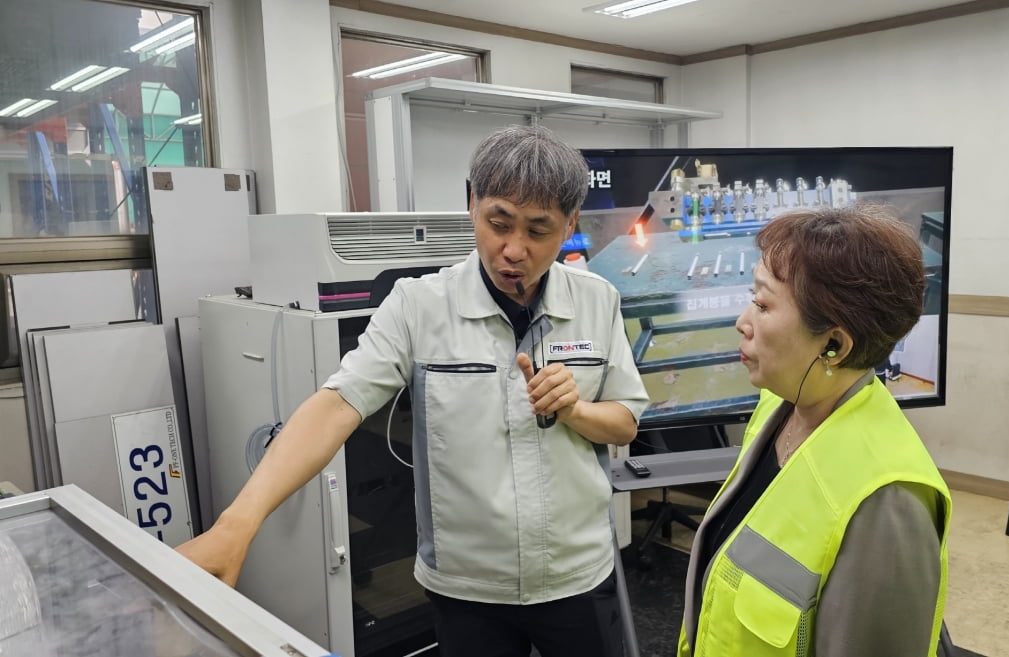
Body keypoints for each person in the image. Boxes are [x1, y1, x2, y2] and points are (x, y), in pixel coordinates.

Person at [178, 125, 650, 657]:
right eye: (498, 222)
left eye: (538, 230)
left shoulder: (597, 301)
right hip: (469, 588)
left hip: (577, 575)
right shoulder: (418, 306)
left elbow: (625, 422)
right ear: (471, 204)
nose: (512, 249)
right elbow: (337, 406)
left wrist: (576, 409)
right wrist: (236, 523)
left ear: (569, 226)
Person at [677, 205, 952, 657]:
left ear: (834, 345)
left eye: (763, 305)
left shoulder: (886, 500)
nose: (742, 323)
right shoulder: (778, 406)